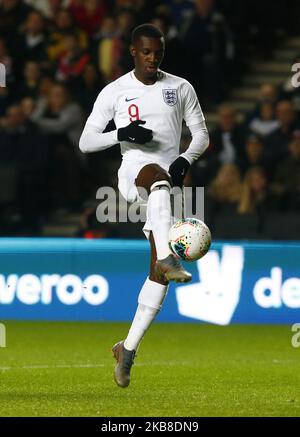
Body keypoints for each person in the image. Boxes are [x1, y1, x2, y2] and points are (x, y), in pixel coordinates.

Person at [79, 23, 209, 388]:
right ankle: (170, 257)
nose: (153, 59)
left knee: (156, 272)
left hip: (167, 190)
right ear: (133, 51)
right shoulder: (116, 91)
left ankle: (128, 348)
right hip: (134, 173)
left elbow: (201, 134)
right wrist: (121, 134)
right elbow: (86, 142)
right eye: (147, 52)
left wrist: (186, 158)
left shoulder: (180, 87)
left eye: (159, 53)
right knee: (156, 175)